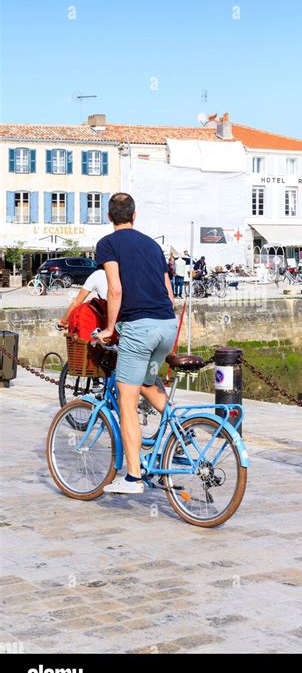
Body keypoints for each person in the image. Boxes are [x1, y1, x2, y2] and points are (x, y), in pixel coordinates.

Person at [96, 193, 177, 494]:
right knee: (145, 382)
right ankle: (180, 435)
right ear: (135, 215)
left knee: (125, 399)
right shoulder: (153, 245)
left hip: (139, 329)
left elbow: (114, 290)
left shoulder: (108, 243)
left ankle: (133, 477)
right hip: (166, 327)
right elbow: (169, 296)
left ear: (109, 216)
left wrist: (107, 329)